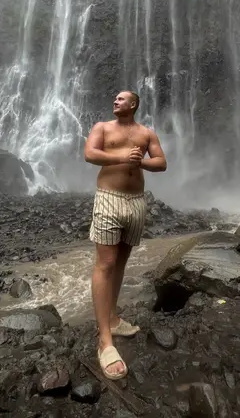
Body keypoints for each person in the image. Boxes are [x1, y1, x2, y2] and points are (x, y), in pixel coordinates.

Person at [84, 90, 167, 380]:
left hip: (136, 202)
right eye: (114, 99)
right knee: (105, 263)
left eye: (121, 99)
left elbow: (161, 162)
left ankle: (112, 318)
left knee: (120, 263)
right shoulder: (102, 128)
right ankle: (104, 341)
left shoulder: (146, 133)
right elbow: (90, 154)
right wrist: (122, 156)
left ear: (133, 104)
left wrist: (139, 162)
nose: (115, 101)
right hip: (109, 198)